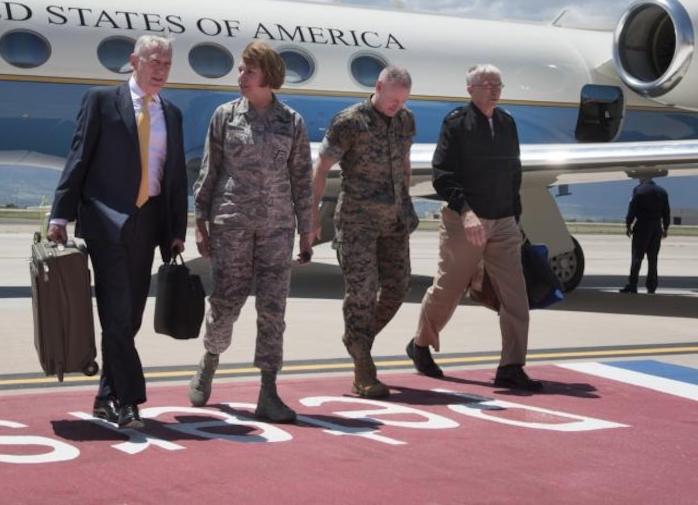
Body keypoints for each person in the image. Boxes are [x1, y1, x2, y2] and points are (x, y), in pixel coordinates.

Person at [47, 34, 187, 429]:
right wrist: (60, 215)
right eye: (154, 62)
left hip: (149, 222)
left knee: (131, 318)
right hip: (106, 220)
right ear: (133, 61)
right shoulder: (101, 101)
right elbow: (79, 156)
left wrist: (176, 228)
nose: (161, 70)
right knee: (117, 311)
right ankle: (128, 399)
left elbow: (172, 176)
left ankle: (105, 396)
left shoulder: (171, 113)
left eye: (167, 64)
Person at [187, 40, 314, 423]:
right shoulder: (225, 116)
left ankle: (268, 390)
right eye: (241, 70)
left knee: (273, 309)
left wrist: (306, 232)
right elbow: (208, 173)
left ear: (268, 76)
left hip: (277, 228)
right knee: (227, 301)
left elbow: (302, 181)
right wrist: (201, 221)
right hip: (232, 224)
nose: (240, 76)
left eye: (248, 70)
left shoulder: (291, 122)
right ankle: (210, 358)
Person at [406, 64, 543, 391]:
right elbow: (442, 174)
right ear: (471, 90)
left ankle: (511, 366)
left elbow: (515, 171)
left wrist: (516, 216)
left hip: (504, 220)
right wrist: (466, 211)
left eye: (498, 84)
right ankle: (421, 344)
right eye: (488, 84)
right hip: (464, 220)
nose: (495, 90)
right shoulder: (457, 124)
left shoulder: (508, 123)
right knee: (448, 289)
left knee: (515, 295)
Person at [311, 65, 417, 398]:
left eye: (402, 100)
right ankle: (363, 370)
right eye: (392, 98)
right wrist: (311, 216)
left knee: (398, 289)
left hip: (394, 221)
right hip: (357, 223)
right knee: (362, 292)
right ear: (379, 86)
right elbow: (322, 166)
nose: (396, 105)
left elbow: (405, 162)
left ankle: (358, 340)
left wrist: (407, 200)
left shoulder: (406, 121)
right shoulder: (350, 122)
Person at [620, 177, 671, 294]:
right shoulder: (662, 191)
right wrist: (666, 227)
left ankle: (632, 285)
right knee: (653, 259)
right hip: (656, 226)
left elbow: (632, 208)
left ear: (642, 179)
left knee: (637, 257)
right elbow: (667, 211)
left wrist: (628, 224)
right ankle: (652, 286)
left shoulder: (638, 190)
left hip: (642, 225)